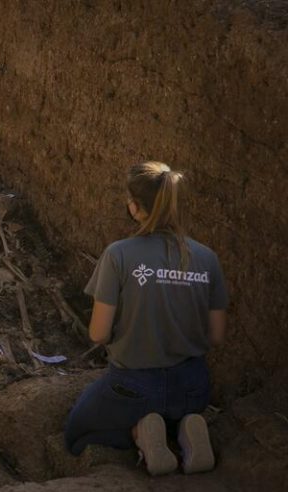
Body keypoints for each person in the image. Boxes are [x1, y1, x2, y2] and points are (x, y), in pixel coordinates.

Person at [64, 161, 228, 476]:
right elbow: (216, 336)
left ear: (135, 207)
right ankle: (184, 427)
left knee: (77, 430)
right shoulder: (208, 258)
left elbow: (98, 333)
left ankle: (139, 433)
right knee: (174, 403)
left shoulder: (119, 254)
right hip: (193, 386)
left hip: (133, 384)